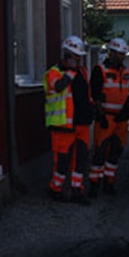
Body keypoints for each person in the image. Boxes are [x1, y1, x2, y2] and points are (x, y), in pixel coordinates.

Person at [89, 37, 129, 197]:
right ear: (110, 53)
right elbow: (94, 95)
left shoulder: (127, 72)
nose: (121, 57)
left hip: (121, 120)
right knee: (100, 152)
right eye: (118, 54)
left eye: (123, 54)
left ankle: (109, 182)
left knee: (116, 151)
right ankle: (94, 184)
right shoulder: (100, 71)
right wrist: (101, 115)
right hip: (106, 119)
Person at [45, 35, 94, 203]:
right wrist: (70, 72)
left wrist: (91, 110)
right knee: (62, 161)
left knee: (81, 159)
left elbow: (86, 95)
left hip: (81, 124)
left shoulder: (82, 72)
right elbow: (58, 87)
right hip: (63, 125)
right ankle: (55, 189)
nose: (78, 60)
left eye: (79, 57)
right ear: (66, 55)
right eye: (75, 56)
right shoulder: (53, 72)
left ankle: (77, 190)